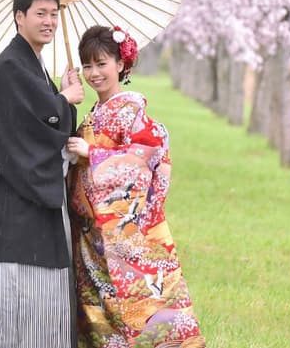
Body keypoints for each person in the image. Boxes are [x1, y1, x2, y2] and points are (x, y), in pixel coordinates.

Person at [65, 25, 205, 348]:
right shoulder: (94, 114)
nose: (94, 73)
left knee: (137, 311)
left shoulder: (131, 112)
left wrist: (94, 154)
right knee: (99, 317)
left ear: (120, 64)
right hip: (91, 237)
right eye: (87, 65)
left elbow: (142, 162)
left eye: (102, 64)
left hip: (124, 236)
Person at [0, 0, 86, 348]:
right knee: (15, 309)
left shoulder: (30, 64)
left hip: (27, 208)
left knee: (40, 311)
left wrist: (61, 94)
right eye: (40, 13)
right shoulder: (10, 65)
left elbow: (46, 118)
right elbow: (28, 132)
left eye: (55, 14)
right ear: (19, 17)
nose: (50, 21)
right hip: (15, 209)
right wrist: (63, 100)